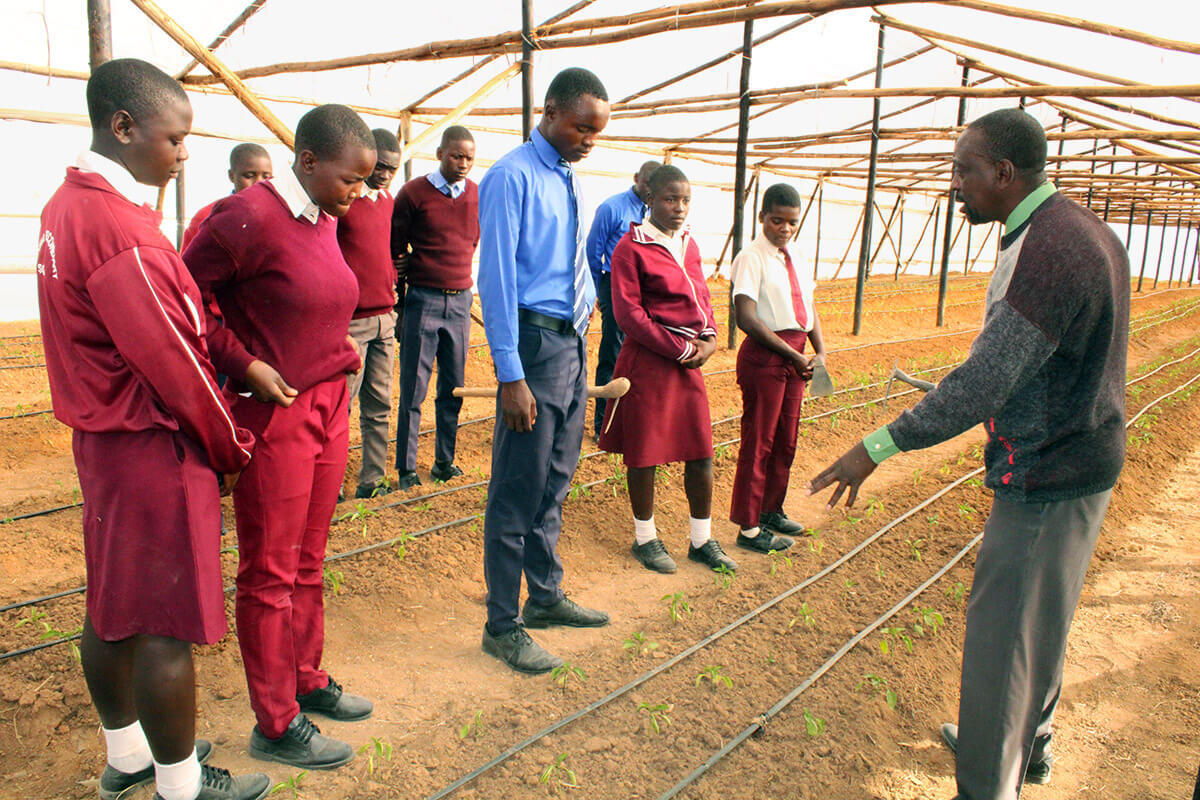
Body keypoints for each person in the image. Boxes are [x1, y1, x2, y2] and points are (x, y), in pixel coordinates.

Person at [810, 108, 1130, 800]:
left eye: (965, 171)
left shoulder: (1049, 253)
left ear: (1004, 173)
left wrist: (876, 446)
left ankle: (988, 781)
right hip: (1086, 457)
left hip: (1047, 471)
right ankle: (1032, 744)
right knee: (1045, 619)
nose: (956, 185)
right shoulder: (1081, 228)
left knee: (1000, 642)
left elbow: (984, 382)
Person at [36, 58, 268, 800]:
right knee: (166, 621)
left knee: (113, 606)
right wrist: (229, 445)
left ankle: (129, 755)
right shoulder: (119, 230)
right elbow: (177, 366)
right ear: (124, 126)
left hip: (103, 444)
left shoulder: (64, 206)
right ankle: (181, 786)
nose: (184, 153)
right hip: (151, 445)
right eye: (175, 138)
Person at [183, 104, 377, 771]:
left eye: (366, 181)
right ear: (309, 161)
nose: (359, 193)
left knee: (308, 559)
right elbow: (186, 300)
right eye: (351, 180)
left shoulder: (321, 218)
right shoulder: (246, 218)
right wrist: (243, 362)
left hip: (327, 404)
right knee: (269, 569)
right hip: (277, 413)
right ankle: (275, 720)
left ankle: (306, 677)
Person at [476, 68, 612, 674]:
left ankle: (546, 597)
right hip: (531, 344)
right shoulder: (511, 176)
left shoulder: (568, 178)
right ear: (551, 112)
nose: (588, 139)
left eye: (597, 132)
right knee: (517, 490)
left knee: (556, 479)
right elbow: (498, 280)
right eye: (581, 127)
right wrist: (511, 375)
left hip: (569, 343)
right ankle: (502, 624)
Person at [598, 165, 735, 575]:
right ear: (650, 200)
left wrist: (709, 338)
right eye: (670, 199)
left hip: (688, 362)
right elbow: (629, 316)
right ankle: (645, 539)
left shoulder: (689, 245)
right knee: (645, 455)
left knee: (701, 451)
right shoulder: (630, 247)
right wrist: (677, 348)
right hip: (649, 364)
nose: (679, 208)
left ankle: (701, 540)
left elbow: (703, 298)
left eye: (686, 200)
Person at [728, 183, 826, 554]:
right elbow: (747, 318)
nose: (784, 229)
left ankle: (772, 509)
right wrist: (793, 354)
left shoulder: (797, 254)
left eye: (791, 222)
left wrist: (821, 351)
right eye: (776, 221)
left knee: (786, 439)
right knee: (760, 441)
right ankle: (749, 527)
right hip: (766, 356)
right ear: (762, 218)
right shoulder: (751, 256)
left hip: (797, 356)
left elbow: (810, 306)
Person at [391, 125, 480, 489]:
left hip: (460, 301)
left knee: (453, 387)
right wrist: (402, 294)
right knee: (414, 386)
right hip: (424, 299)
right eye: (456, 155)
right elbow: (395, 249)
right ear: (440, 153)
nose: (462, 164)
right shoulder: (413, 194)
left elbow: (473, 240)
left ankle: (445, 461)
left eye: (469, 158)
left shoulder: (476, 194)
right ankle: (407, 468)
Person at [339, 128, 401, 499]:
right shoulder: (346, 201)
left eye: (392, 169)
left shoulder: (387, 201)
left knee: (379, 404)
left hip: (385, 318)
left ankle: (372, 480)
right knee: (341, 406)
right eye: (380, 166)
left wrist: (394, 272)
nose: (384, 174)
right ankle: (329, 483)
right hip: (353, 322)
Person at [585, 160, 659, 438]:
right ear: (637, 177)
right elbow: (593, 253)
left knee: (643, 352)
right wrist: (591, 293)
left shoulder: (656, 212)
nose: (651, 189)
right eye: (648, 183)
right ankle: (604, 425)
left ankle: (634, 418)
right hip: (613, 283)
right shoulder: (612, 208)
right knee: (614, 350)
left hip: (645, 287)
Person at [181, 143, 273, 250]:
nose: (258, 183)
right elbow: (186, 264)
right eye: (249, 176)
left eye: (266, 177)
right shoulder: (208, 217)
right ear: (232, 176)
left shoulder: (280, 217)